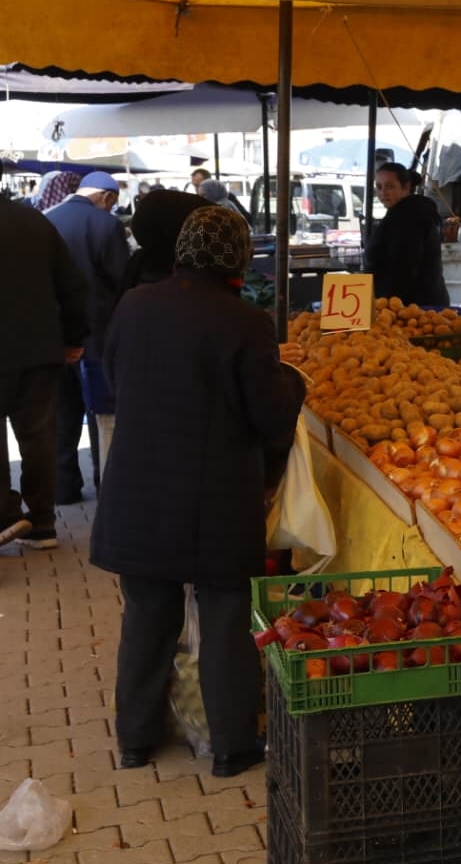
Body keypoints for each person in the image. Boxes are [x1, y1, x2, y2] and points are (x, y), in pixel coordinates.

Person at [90, 206, 305, 778]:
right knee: (226, 618)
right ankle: (232, 747)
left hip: (139, 493)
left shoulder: (134, 305)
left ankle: (135, 740)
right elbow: (270, 416)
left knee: (146, 614)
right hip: (214, 503)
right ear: (238, 259)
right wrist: (293, 381)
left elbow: (116, 378)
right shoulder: (245, 322)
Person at [0, 196, 89, 548]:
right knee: (39, 436)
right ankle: (41, 523)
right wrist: (74, 337)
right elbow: (72, 285)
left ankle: (7, 516)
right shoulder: (35, 221)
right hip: (40, 348)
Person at [45, 170, 130, 510]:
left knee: (61, 411)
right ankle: (103, 481)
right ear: (106, 197)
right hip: (96, 333)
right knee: (101, 411)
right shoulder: (106, 225)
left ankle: (62, 486)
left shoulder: (47, 219)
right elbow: (123, 280)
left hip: (54, 333)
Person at [368, 161, 449, 307]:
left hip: (412, 307)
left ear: (406, 187)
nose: (383, 192)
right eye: (379, 187)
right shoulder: (405, 212)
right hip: (424, 302)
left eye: (390, 186)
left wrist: (389, 304)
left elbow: (404, 266)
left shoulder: (408, 216)